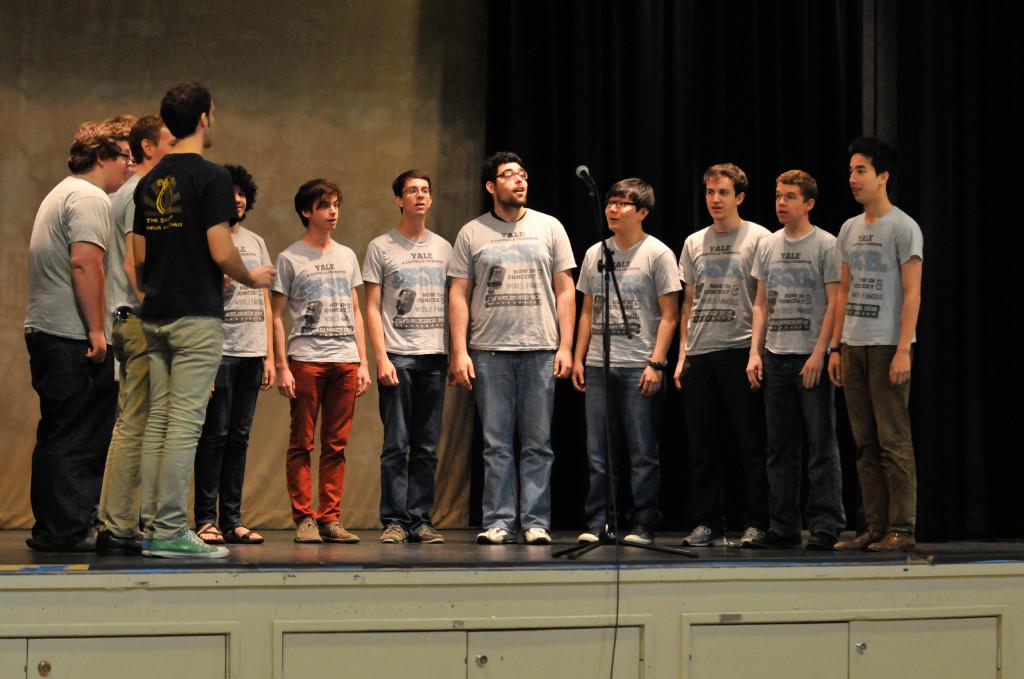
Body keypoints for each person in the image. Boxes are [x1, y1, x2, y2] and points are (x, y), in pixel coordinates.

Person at [133, 81, 275, 559]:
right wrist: (251, 276)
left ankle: (153, 524)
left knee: (159, 423)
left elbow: (140, 255)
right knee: (185, 426)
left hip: (155, 314)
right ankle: (172, 529)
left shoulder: (150, 179)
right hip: (194, 316)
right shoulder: (211, 177)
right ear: (204, 118)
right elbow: (221, 249)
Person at [448, 151, 576, 545]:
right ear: (491, 186)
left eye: (522, 175)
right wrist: (459, 350)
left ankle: (536, 521)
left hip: (540, 347)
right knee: (496, 443)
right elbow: (458, 293)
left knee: (538, 443)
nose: (519, 181)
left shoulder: (549, 227)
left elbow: (566, 289)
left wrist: (566, 346)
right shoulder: (472, 232)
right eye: (509, 176)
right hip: (489, 350)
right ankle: (499, 521)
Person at [24, 118, 133, 552]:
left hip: (52, 330)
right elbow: (86, 263)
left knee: (60, 432)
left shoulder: (64, 192)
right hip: (70, 334)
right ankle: (66, 532)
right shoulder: (89, 198)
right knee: (77, 436)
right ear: (102, 156)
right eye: (124, 156)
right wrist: (96, 330)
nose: (129, 165)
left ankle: (58, 528)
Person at [571, 178, 680, 545]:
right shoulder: (594, 254)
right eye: (610, 203)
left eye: (622, 204)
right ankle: (601, 521)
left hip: (639, 365)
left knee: (641, 450)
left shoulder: (658, 253)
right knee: (599, 452)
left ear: (643, 212)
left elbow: (669, 314)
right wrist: (578, 357)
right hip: (600, 364)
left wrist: (657, 362)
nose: (613, 210)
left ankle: (644, 521)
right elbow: (587, 310)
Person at [828, 138, 923, 552]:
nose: (853, 179)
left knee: (893, 440)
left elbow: (913, 292)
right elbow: (844, 291)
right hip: (853, 344)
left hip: (887, 344)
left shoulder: (903, 227)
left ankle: (901, 528)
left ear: (883, 176)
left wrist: (904, 347)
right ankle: (873, 525)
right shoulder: (849, 229)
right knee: (863, 441)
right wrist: (835, 347)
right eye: (850, 171)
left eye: (861, 170)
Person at [746, 170, 845, 551]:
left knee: (821, 444)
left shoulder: (826, 244)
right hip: (775, 356)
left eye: (789, 197)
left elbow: (835, 302)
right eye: (777, 195)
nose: (781, 203)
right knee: (779, 448)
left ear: (809, 203)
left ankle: (825, 524)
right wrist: (755, 352)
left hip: (809, 356)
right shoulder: (768, 245)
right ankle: (784, 525)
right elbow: (761, 303)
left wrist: (820, 353)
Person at [673, 163, 770, 547]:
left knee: (750, 444)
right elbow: (688, 303)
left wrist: (756, 352)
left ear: (739, 197)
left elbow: (764, 300)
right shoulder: (694, 242)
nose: (715, 199)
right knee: (702, 447)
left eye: (723, 193)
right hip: (701, 352)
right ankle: (708, 522)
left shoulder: (759, 238)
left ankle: (757, 521)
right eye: (710, 192)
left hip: (740, 349)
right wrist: (683, 355)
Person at [272, 179, 371, 545]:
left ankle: (330, 518)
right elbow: (276, 314)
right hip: (307, 359)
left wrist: (362, 362)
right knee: (302, 442)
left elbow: (357, 311)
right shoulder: (290, 257)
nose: (333, 212)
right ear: (306, 211)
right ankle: (305, 518)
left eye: (336, 205)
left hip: (344, 359)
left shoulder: (346, 255)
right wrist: (282, 364)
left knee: (337, 444)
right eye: (325, 205)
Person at [96, 115, 176, 555]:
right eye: (168, 141)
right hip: (138, 319)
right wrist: (156, 307)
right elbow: (133, 262)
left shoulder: (141, 191)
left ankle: (122, 521)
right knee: (136, 423)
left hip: (133, 318)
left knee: (136, 422)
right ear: (147, 147)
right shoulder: (139, 192)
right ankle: (120, 524)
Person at [363, 170, 452, 544]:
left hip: (435, 355)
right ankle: (395, 521)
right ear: (399, 199)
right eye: (412, 191)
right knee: (397, 444)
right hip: (398, 355)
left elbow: (457, 302)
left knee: (427, 446)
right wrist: (380, 358)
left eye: (425, 191)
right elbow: (370, 306)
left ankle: (420, 519)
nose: (420, 196)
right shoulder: (381, 247)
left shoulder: (445, 248)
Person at [193, 164, 273, 546]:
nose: (237, 199)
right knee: (215, 436)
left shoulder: (256, 242)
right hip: (219, 352)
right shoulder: (207, 239)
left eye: (242, 193)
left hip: (252, 351)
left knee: (240, 437)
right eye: (230, 192)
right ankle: (205, 519)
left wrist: (270, 355)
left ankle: (233, 519)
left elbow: (266, 300)